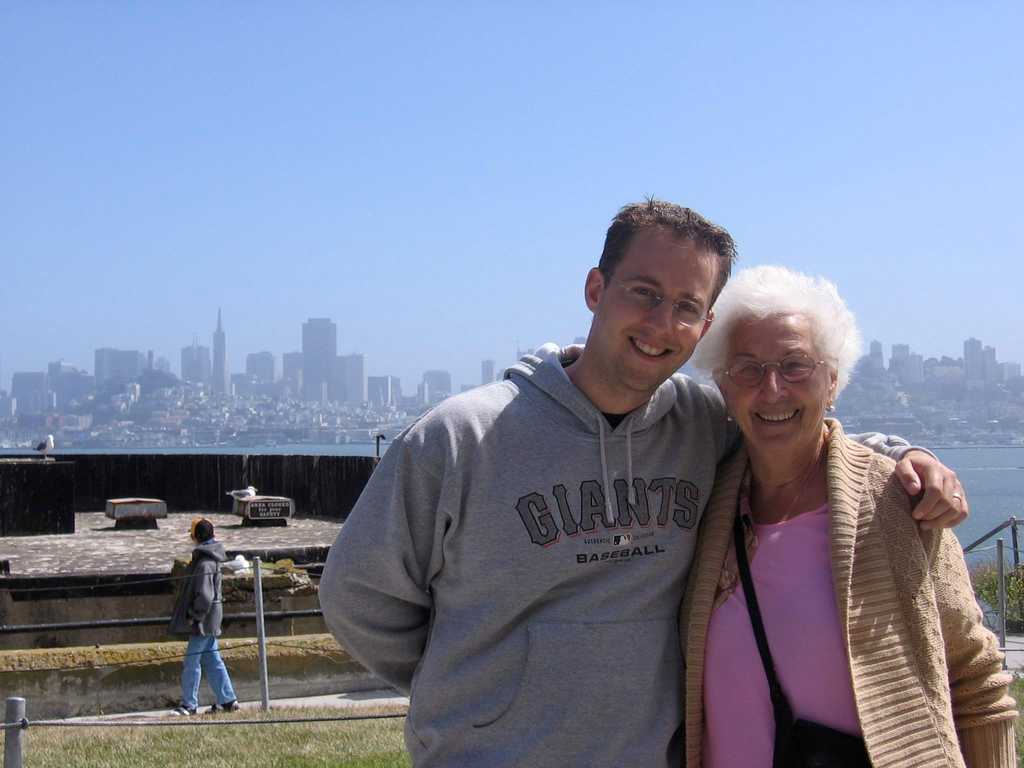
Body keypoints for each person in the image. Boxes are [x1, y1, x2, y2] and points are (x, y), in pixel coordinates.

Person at [319, 200, 966, 767]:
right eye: (644, 292)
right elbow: (358, 595)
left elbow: (799, 429)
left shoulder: (703, 425)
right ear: (596, 288)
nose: (661, 323)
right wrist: (474, 686)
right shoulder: (461, 436)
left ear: (706, 327)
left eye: (687, 306)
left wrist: (904, 454)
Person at [681, 265, 1016, 767]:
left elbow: (976, 680)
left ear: (832, 380)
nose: (772, 389)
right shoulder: (702, 508)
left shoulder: (898, 503)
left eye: (795, 365)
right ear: (724, 389)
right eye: (747, 368)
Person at [169, 517, 240, 716]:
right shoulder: (210, 559)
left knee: (191, 662)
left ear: (197, 536)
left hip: (203, 621)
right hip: (210, 620)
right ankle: (228, 700)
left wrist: (194, 615)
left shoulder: (204, 563)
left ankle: (189, 705)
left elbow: (205, 596)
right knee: (213, 660)